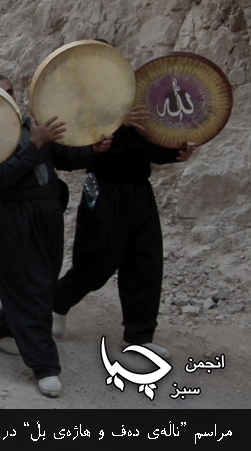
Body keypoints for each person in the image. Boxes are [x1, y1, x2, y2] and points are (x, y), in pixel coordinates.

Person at [0, 74, 111, 398]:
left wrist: (92, 150)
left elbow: (64, 157)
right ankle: (45, 366)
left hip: (47, 215)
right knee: (33, 286)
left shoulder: (31, 126)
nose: (7, 98)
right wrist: (35, 146)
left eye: (10, 92)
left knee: (43, 282)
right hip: (14, 216)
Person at [52, 106, 196, 360]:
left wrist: (176, 153)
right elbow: (74, 154)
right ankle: (57, 304)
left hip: (140, 191)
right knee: (96, 258)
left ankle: (138, 336)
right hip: (103, 187)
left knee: (145, 260)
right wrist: (116, 123)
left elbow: (152, 149)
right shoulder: (89, 104)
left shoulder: (140, 107)